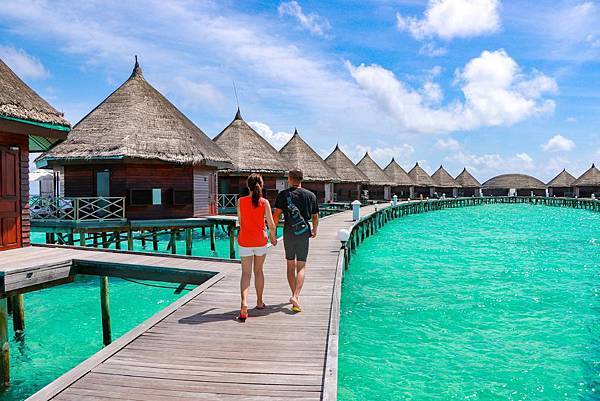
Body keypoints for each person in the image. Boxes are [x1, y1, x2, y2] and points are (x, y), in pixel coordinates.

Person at [273, 168, 319, 313]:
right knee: (301, 267)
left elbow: (276, 215)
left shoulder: (283, 195)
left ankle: (295, 297)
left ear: (289, 179)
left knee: (290, 266)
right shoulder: (310, 195)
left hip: (288, 233)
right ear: (301, 179)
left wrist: (272, 232)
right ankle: (295, 296)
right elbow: (315, 216)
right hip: (303, 234)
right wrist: (314, 230)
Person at [237, 173, 278, 321]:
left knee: (246, 274)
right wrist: (273, 237)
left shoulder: (240, 201)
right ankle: (259, 302)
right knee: (258, 271)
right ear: (261, 185)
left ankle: (244, 303)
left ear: (247, 185)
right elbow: (271, 224)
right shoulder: (264, 202)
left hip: (245, 240)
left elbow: (240, 221)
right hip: (260, 241)